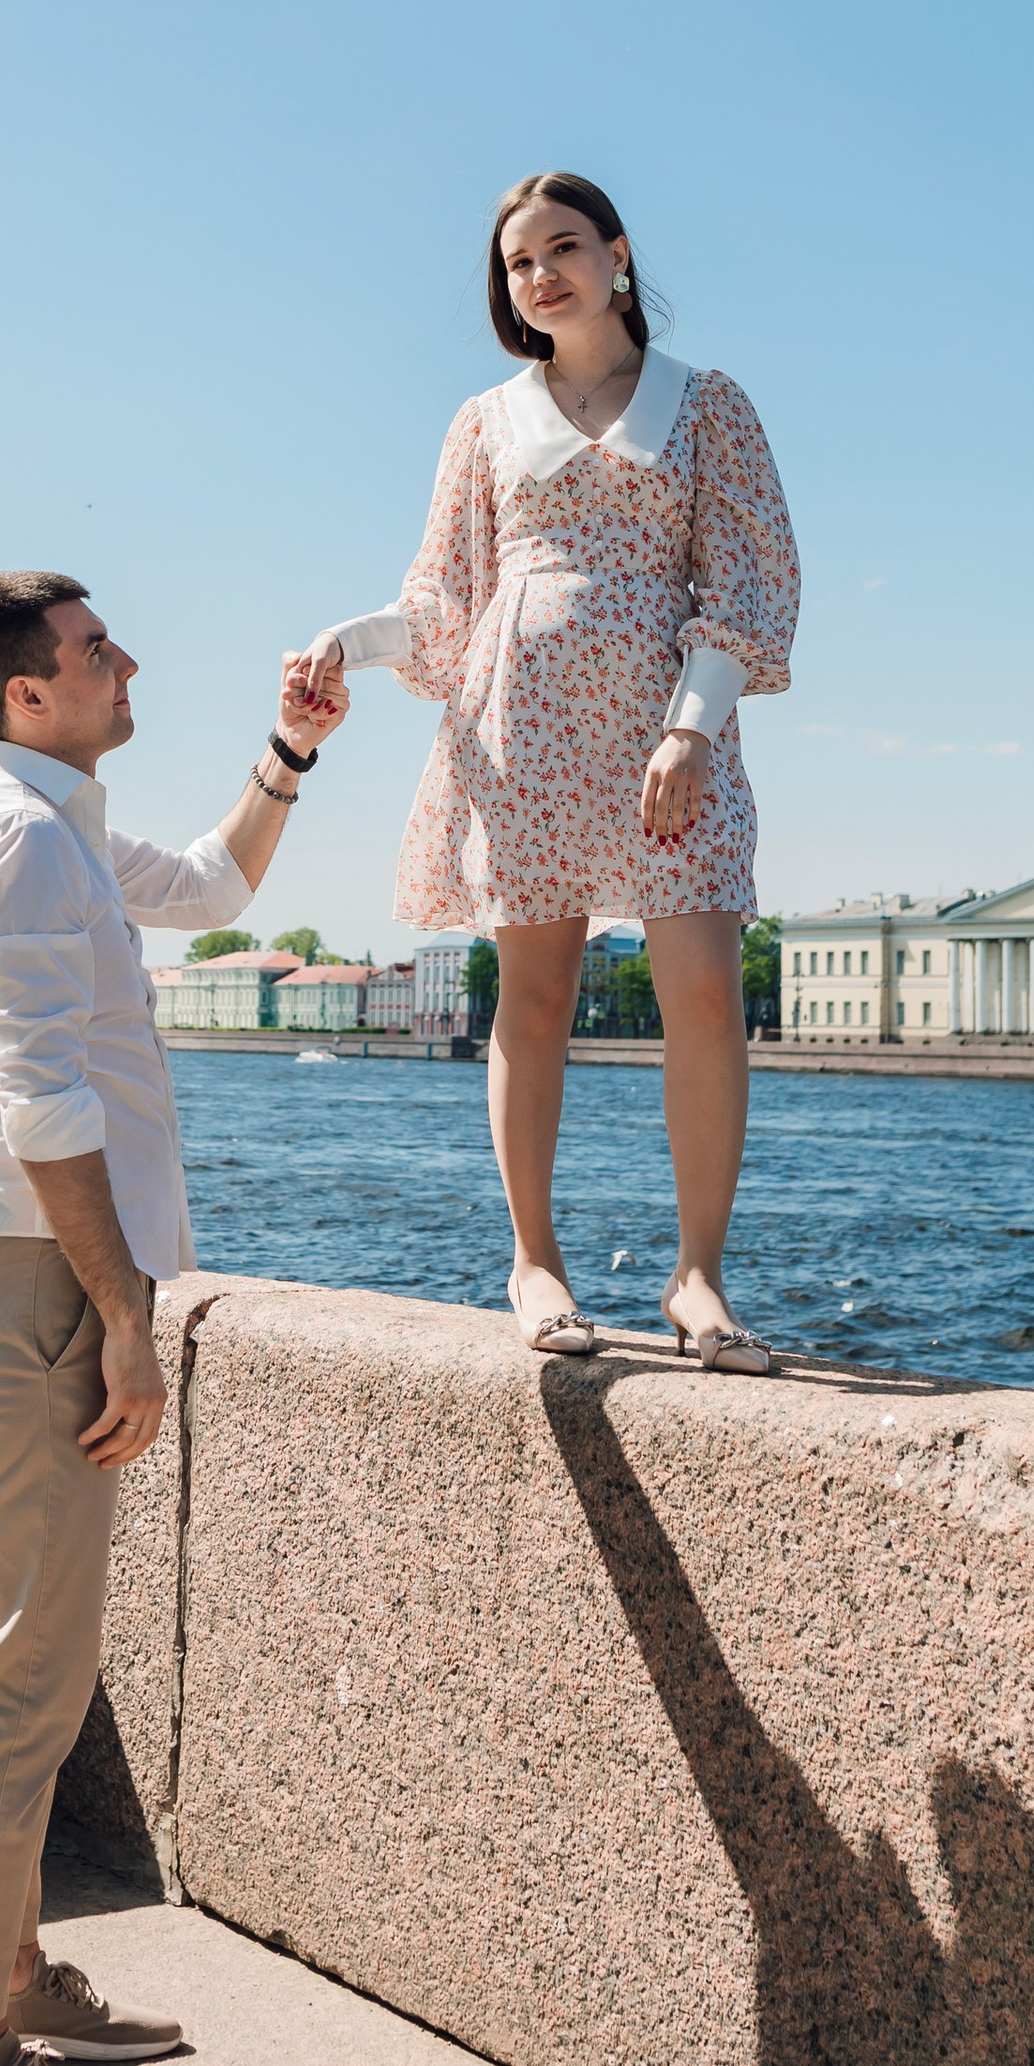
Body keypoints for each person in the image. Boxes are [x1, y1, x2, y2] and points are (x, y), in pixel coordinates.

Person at [0, 571, 348, 2066]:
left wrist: (287, 754)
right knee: (22, 1682)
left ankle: (10, 1977)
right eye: (96, 652)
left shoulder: (60, 823)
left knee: (25, 1662)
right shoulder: (12, 841)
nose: (125, 660)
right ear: (29, 694)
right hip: (27, 1284)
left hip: (35, 1278)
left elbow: (219, 887)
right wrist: (127, 1318)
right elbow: (42, 1108)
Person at [288, 170, 797, 1370]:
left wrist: (688, 727)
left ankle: (698, 1279)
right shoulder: (483, 422)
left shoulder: (706, 405)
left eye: (562, 248)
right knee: (534, 1003)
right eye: (518, 264)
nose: (540, 276)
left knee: (707, 1002)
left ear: (618, 255)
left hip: (670, 736)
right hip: (517, 736)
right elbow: (441, 597)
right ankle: (535, 1264)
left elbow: (751, 584)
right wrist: (347, 643)